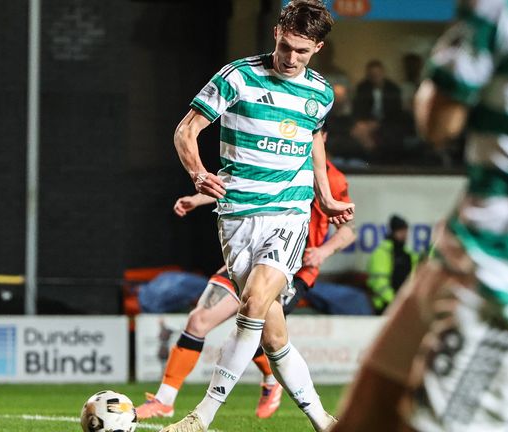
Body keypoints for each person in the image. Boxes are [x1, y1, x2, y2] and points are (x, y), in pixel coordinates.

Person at [333, 1, 508, 431]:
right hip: (477, 258)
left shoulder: (503, 8)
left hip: (506, 286)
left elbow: (437, 123)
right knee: (361, 419)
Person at [162, 1, 355, 431]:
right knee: (273, 335)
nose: (291, 58)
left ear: (318, 48)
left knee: (252, 302)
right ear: (276, 34)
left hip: (289, 212)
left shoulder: (320, 93)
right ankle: (323, 420)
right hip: (237, 215)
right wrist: (198, 174)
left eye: (302, 51)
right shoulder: (238, 77)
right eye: (287, 47)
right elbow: (186, 130)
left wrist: (324, 197)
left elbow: (314, 142)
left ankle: (201, 416)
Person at [139, 153, 355, 421]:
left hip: (293, 267)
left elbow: (348, 230)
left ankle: (253, 392)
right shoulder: (275, 155)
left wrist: (323, 251)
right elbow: (237, 185)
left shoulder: (330, 177)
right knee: (198, 320)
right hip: (250, 252)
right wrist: (198, 199)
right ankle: (164, 400)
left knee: (264, 335)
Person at [366, 214, 418, 314]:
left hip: (401, 306)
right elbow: (380, 285)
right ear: (393, 232)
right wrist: (396, 302)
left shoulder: (407, 254)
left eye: (405, 231)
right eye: (401, 231)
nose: (404, 235)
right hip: (384, 306)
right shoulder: (381, 253)